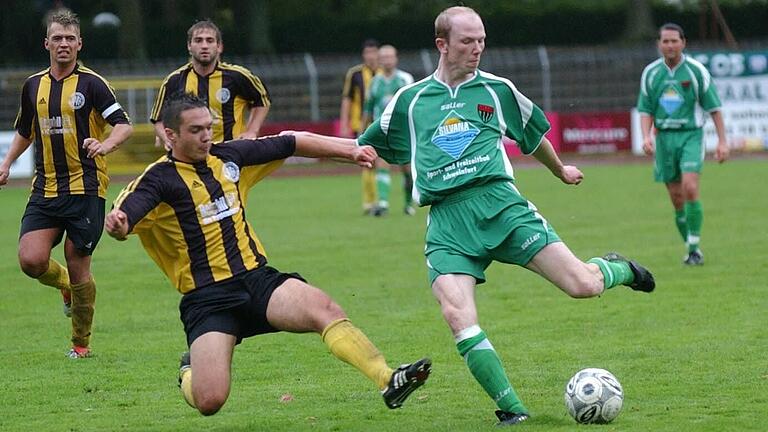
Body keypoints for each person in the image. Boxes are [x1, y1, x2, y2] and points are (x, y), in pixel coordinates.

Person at [289, 6, 656, 426]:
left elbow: (532, 135)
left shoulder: (497, 90)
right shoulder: (409, 102)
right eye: (467, 41)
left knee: (582, 285)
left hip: (501, 205)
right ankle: (512, 410)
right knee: (457, 315)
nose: (478, 48)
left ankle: (618, 268)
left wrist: (561, 171)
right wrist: (311, 148)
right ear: (442, 45)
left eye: (481, 39)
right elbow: (365, 146)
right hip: (447, 222)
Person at [104, 92, 430, 416]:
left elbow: (292, 141)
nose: (206, 136)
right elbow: (127, 214)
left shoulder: (230, 157)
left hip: (257, 281)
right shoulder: (156, 181)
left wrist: (350, 149)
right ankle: (189, 370)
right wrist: (119, 225)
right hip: (208, 299)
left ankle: (388, 379)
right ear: (171, 135)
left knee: (324, 309)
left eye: (209, 127)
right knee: (210, 401)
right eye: (196, 130)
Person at [0, 10, 132, 359]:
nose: (63, 44)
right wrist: (7, 162)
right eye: (57, 38)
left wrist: (104, 145)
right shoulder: (33, 85)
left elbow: (123, 125)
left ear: (79, 43)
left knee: (78, 263)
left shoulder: (93, 84)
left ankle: (81, 345)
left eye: (70, 38)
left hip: (86, 188)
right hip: (45, 188)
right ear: (47, 43)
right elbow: (26, 130)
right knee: (31, 260)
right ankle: (65, 289)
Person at [637, 23, 729, 265]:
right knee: (676, 198)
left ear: (683, 43)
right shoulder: (651, 73)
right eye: (665, 41)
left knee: (689, 187)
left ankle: (695, 248)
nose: (669, 45)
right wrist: (646, 136)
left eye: (674, 41)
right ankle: (690, 248)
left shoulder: (696, 71)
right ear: (658, 44)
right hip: (664, 139)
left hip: (691, 135)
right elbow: (645, 109)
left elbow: (714, 108)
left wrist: (722, 142)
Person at [150, 19, 270, 149]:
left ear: (219, 47)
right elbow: (158, 119)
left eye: (210, 40)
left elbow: (262, 100)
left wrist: (252, 131)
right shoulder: (174, 80)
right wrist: (167, 138)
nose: (204, 46)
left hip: (231, 152)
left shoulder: (238, 76)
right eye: (198, 40)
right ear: (189, 46)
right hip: (190, 154)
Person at [361, 44, 416, 216]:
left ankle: (408, 204)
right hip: (382, 131)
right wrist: (363, 131)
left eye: (389, 57)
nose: (386, 60)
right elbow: (368, 109)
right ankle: (383, 204)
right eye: (383, 57)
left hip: (403, 132)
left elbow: (414, 106)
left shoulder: (405, 80)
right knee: (381, 164)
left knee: (407, 171)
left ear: (396, 58)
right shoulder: (374, 83)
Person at [340, 39, 380, 215]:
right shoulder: (354, 74)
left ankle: (382, 199)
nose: (370, 56)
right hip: (361, 124)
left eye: (373, 52)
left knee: (382, 163)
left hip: (381, 124)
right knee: (366, 161)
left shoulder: (385, 73)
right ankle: (369, 201)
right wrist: (344, 123)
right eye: (367, 53)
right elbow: (347, 99)